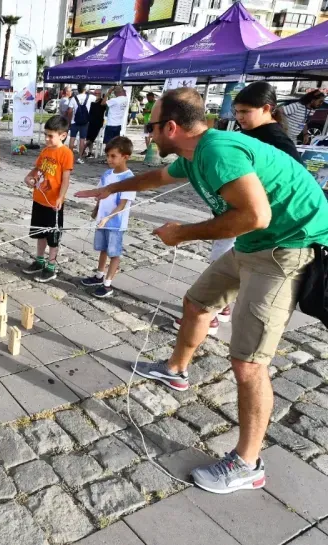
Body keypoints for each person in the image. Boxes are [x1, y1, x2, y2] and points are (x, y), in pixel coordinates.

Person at [75, 87, 328, 494]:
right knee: (196, 302)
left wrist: (183, 234)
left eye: (151, 125)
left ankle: (249, 464)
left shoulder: (216, 151)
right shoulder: (192, 155)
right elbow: (159, 175)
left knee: (248, 363)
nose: (148, 132)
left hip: (286, 247)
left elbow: (256, 215)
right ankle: (176, 371)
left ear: (171, 127)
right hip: (254, 242)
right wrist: (113, 189)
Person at [174, 81, 308, 335]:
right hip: (237, 214)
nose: (239, 118)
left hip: (256, 222)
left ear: (267, 109)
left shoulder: (275, 139)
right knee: (226, 267)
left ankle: (210, 315)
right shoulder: (248, 134)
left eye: (245, 112)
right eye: (237, 112)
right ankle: (219, 309)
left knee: (222, 266)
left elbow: (296, 180)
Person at [80, 136, 136, 298]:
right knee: (103, 249)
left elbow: (123, 204)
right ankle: (99, 275)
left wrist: (108, 218)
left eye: (113, 156)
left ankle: (107, 284)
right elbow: (100, 194)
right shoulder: (106, 174)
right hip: (102, 220)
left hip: (115, 224)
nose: (109, 159)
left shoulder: (129, 179)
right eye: (107, 156)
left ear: (125, 157)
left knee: (114, 253)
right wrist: (97, 210)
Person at [21, 115, 73, 283]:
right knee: (39, 233)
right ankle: (39, 260)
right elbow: (37, 169)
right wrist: (29, 177)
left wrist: (60, 197)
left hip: (53, 203)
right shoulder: (45, 151)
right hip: (39, 199)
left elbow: (65, 179)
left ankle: (51, 266)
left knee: (52, 236)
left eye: (51, 136)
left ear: (63, 135)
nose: (47, 139)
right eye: (46, 135)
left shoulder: (66, 153)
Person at [67, 84, 91, 162]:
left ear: (78, 89)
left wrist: (69, 121)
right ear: (85, 89)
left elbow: (70, 111)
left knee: (72, 139)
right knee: (82, 140)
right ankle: (80, 157)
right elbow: (99, 99)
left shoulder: (73, 98)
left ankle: (70, 157)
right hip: (85, 122)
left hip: (74, 121)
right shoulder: (90, 97)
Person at [83, 94, 107, 159]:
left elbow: (103, 104)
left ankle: (83, 149)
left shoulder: (102, 103)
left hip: (96, 123)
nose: (96, 95)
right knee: (89, 139)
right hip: (91, 122)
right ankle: (88, 151)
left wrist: (106, 96)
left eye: (97, 94)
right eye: (95, 94)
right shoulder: (91, 102)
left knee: (91, 139)